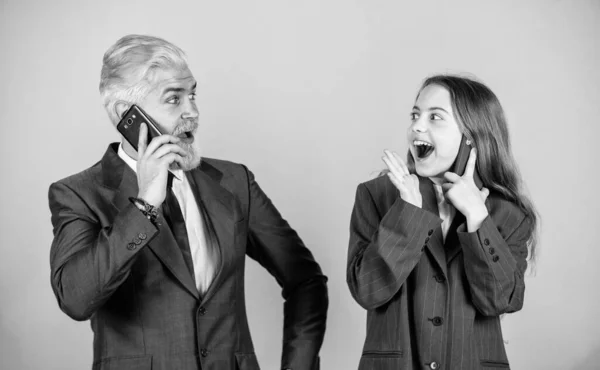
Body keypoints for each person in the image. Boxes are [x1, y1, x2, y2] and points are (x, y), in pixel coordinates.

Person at [48, 34, 328, 370]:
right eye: (173, 99)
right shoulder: (80, 193)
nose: (192, 111)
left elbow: (305, 279)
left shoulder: (235, 182)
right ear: (128, 114)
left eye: (192, 94)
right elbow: (76, 300)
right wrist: (144, 206)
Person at [346, 75, 538, 370]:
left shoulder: (508, 213)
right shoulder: (376, 196)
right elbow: (368, 290)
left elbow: (500, 301)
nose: (416, 126)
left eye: (435, 117)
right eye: (415, 115)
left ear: (471, 136)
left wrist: (477, 218)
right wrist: (408, 211)